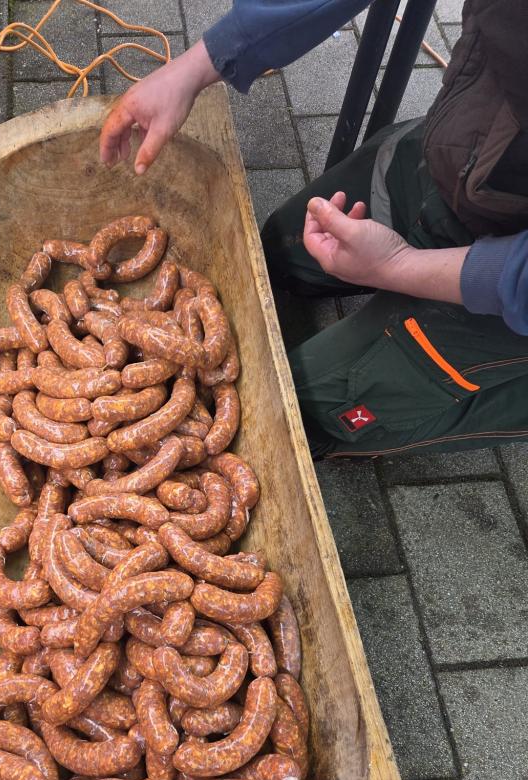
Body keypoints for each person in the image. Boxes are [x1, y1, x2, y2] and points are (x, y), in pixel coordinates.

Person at [100, 0, 528, 459]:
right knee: (281, 250)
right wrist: (199, 65)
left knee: (300, 414)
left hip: (513, 294)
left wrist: (397, 266)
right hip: (459, 146)